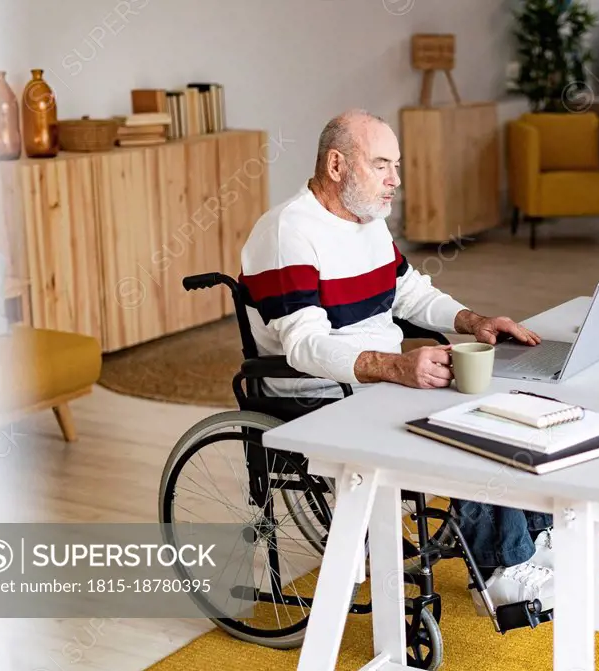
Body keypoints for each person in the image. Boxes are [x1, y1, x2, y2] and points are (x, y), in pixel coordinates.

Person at [238, 109, 556, 613]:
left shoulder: (367, 222)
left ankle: (530, 541)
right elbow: (303, 346)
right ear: (337, 165)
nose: (396, 180)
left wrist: (474, 322)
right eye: (382, 164)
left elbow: (409, 293)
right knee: (460, 428)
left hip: (374, 381)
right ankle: (502, 571)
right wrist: (395, 366)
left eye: (398, 165)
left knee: (498, 401)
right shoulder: (289, 232)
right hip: (317, 393)